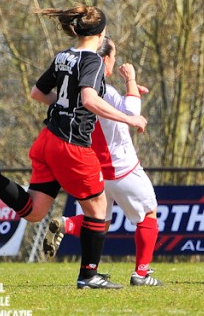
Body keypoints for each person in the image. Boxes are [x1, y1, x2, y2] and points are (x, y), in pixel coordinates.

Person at [0, 5, 147, 290]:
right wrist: (129, 118)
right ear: (101, 33)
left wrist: (65, 106)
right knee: (98, 209)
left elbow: (37, 93)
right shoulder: (92, 60)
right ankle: (88, 275)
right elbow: (90, 100)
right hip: (72, 147)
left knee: (33, 212)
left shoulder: (64, 57)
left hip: (48, 140)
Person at [42, 36, 162, 287]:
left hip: (95, 168)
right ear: (104, 59)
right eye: (114, 57)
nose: (115, 61)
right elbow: (132, 114)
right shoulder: (104, 91)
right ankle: (141, 273)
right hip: (122, 168)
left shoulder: (81, 90)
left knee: (99, 222)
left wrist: (130, 92)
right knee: (148, 215)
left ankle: (64, 224)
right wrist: (130, 80)